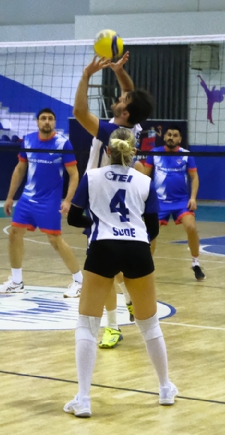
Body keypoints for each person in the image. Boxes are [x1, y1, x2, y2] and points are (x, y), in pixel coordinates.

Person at [63, 127, 176, 418]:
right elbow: (153, 227)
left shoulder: (92, 176)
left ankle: (83, 399)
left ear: (108, 150)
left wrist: (97, 222)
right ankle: (165, 388)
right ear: (133, 151)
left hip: (103, 246)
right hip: (137, 248)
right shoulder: (145, 181)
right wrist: (133, 233)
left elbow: (74, 217)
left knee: (87, 325)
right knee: (149, 325)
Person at [73, 54, 154, 349]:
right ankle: (129, 300)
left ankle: (112, 326)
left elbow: (79, 111)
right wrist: (119, 71)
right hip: (120, 203)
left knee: (100, 269)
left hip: (101, 202)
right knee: (115, 265)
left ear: (126, 111)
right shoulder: (133, 128)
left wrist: (86, 75)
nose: (119, 97)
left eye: (122, 99)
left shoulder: (111, 132)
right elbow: (131, 95)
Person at [0, 107, 82, 297]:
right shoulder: (28, 140)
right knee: (14, 233)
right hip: (27, 198)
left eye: (50, 118)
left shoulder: (63, 143)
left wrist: (68, 200)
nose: (47, 121)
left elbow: (74, 174)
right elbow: (20, 169)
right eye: (43, 118)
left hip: (49, 201)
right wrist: (10, 197)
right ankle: (16, 282)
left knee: (55, 240)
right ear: (37, 122)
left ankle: (79, 281)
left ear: (54, 122)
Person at [139, 125, 205, 281]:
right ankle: (146, 267)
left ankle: (195, 263)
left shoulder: (186, 155)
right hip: (159, 202)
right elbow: (144, 177)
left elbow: (194, 177)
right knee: (150, 234)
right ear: (164, 137)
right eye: (169, 134)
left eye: (175, 135)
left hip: (181, 201)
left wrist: (193, 198)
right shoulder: (155, 153)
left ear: (180, 139)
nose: (171, 137)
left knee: (191, 227)